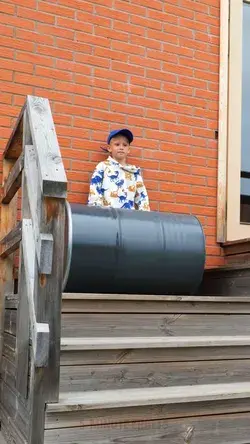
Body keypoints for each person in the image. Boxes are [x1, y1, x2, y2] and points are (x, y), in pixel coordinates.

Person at [88, 129, 150, 211]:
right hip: (107, 218)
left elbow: (143, 198)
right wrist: (98, 214)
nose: (121, 147)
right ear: (109, 148)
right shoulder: (102, 167)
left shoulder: (134, 172)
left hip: (128, 219)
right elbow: (94, 192)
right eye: (117, 144)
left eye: (125, 145)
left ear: (128, 150)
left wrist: (144, 218)